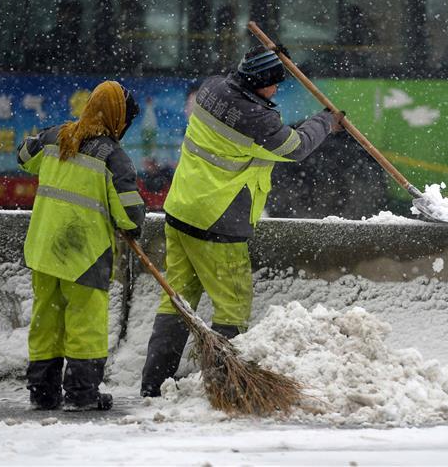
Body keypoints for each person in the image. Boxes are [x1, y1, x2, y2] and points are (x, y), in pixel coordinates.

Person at [140, 45, 345, 397]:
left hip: (181, 211)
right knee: (232, 307)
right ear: (257, 83)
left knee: (177, 301)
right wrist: (326, 120)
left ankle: (153, 384)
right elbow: (295, 147)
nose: (277, 90)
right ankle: (225, 384)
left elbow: (261, 125)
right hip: (218, 224)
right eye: (273, 84)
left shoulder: (212, 88)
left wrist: (270, 55)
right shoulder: (256, 120)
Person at [17, 81, 145, 411]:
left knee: (45, 320)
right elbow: (131, 215)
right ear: (118, 118)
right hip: (84, 255)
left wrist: (54, 134)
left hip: (44, 248)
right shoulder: (114, 158)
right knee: (84, 324)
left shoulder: (55, 137)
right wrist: (132, 226)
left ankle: (43, 393)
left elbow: (22, 156)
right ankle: (81, 393)